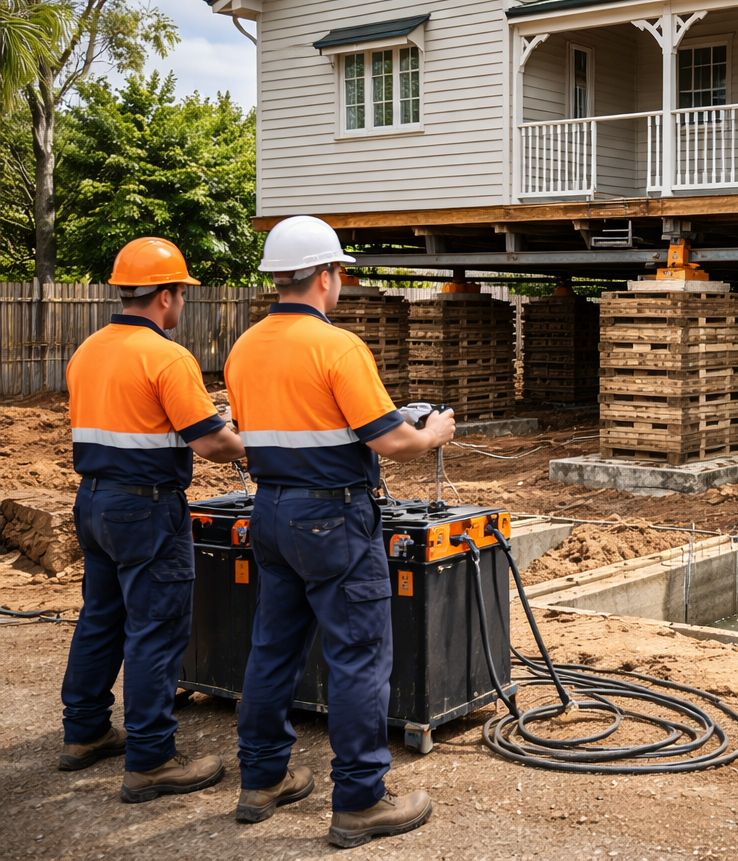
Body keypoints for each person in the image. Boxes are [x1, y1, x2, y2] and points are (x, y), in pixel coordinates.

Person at [224, 215, 453, 848]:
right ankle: (360, 800)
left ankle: (261, 780)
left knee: (273, 649)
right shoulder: (339, 348)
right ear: (326, 275)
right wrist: (433, 432)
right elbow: (392, 440)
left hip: (270, 512)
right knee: (357, 655)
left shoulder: (244, 348)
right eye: (340, 272)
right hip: (334, 520)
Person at [62, 237, 246, 802]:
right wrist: (263, 445)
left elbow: (137, 420)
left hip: (94, 502)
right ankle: (151, 760)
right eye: (181, 293)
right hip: (146, 509)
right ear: (166, 295)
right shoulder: (167, 356)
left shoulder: (89, 350)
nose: (182, 302)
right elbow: (212, 444)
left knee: (101, 618)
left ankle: (84, 733)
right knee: (156, 629)